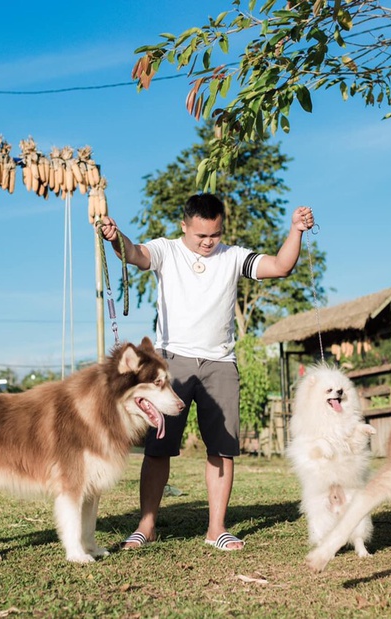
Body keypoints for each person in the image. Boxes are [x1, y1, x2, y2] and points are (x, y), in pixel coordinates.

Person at [99, 193, 315, 551]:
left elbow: (279, 266)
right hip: (172, 363)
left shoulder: (233, 256)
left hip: (220, 363)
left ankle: (217, 529)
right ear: (184, 226)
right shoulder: (167, 250)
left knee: (222, 449)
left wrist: (295, 230)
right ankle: (146, 526)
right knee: (158, 449)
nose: (207, 242)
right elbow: (135, 254)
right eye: (200, 235)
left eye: (214, 234)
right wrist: (115, 237)